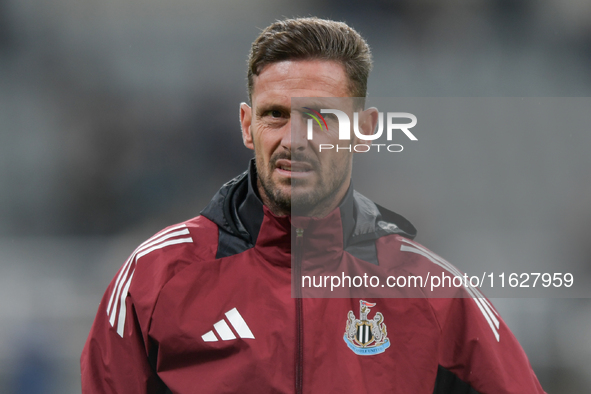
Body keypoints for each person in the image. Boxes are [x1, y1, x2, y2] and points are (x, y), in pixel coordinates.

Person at [81, 17, 546, 393]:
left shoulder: (431, 294)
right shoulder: (155, 277)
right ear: (247, 125)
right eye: (275, 115)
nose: (293, 140)